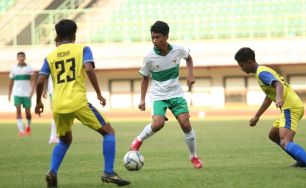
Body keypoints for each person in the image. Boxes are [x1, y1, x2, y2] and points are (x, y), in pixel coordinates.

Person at [35, 19, 130, 187]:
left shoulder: (50, 56)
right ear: (74, 34)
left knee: (64, 140)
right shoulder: (82, 49)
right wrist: (99, 93)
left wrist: (37, 103)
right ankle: (109, 172)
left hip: (58, 105)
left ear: (58, 35)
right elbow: (88, 68)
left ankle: (52, 171)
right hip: (78, 102)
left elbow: (40, 80)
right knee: (109, 132)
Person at [234, 47, 306, 170]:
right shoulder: (262, 71)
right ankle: (301, 160)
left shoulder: (261, 73)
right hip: (288, 107)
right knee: (273, 135)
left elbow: (278, 84)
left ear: (249, 62)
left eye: (242, 65)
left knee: (285, 141)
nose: (242, 68)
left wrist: (279, 98)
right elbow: (269, 97)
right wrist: (257, 116)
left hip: (291, 107)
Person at [130, 21, 203, 169]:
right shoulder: (149, 57)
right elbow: (145, 78)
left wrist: (190, 75)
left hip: (176, 93)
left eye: (157, 37)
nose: (154, 40)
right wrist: (142, 99)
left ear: (166, 37)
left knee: (186, 124)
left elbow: (189, 58)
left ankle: (194, 157)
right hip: (158, 95)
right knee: (158, 124)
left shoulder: (178, 50)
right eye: (152, 37)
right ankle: (138, 140)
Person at [8, 52, 35, 136]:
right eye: (19, 56)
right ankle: (21, 130)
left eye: (22, 56)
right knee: (18, 110)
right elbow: (11, 82)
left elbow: (33, 80)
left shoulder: (29, 68)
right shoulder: (13, 68)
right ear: (17, 58)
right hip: (17, 93)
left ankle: (28, 126)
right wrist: (9, 94)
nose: (21, 58)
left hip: (27, 93)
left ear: (25, 58)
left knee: (27, 112)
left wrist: (32, 91)